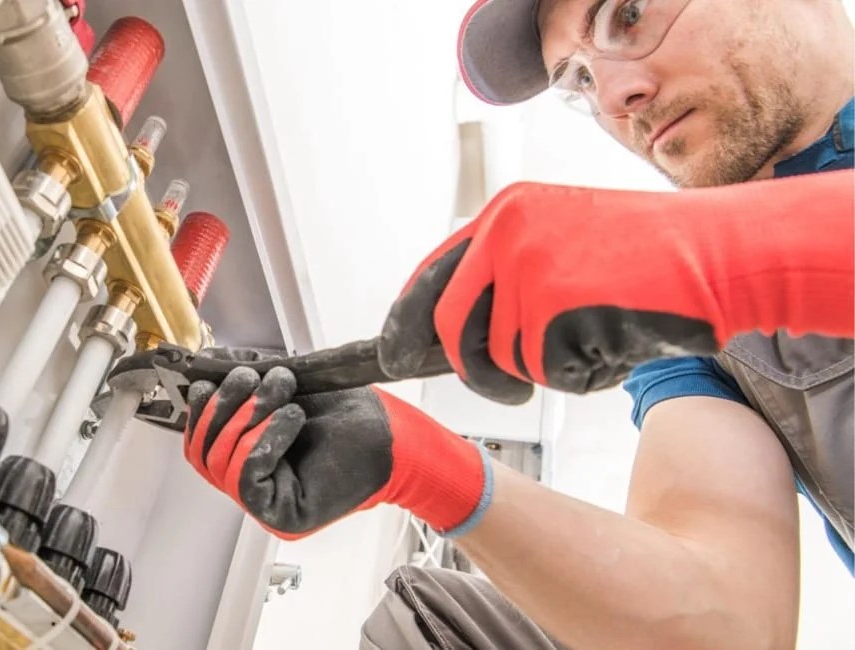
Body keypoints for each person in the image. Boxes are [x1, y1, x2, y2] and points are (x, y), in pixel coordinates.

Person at [172, 0, 855, 647]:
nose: (614, 98)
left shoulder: (689, 278)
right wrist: (423, 465)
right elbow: (725, 629)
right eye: (579, 78)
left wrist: (718, 262)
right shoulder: (689, 341)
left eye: (629, 13)